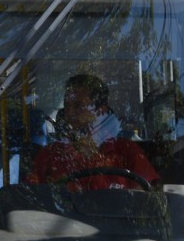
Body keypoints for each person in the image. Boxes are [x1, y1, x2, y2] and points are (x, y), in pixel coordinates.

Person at [28, 74, 158, 191]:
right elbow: (31, 202)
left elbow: (144, 203)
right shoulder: (50, 155)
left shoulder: (127, 151)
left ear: (101, 110)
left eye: (79, 106)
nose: (70, 113)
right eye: (67, 106)